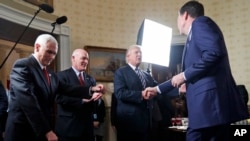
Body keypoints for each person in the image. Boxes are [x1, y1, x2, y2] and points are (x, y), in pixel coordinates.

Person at [146, 1, 249, 141]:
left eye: (177, 17)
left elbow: (213, 53)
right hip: (207, 111)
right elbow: (188, 75)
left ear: (185, 15)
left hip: (210, 108)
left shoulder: (200, 24)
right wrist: (157, 89)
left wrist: (185, 75)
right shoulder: (192, 36)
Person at [4, 34, 104, 141]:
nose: (52, 56)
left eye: (54, 53)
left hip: (39, 132)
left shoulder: (49, 73)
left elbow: (67, 88)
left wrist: (91, 89)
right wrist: (46, 131)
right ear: (37, 47)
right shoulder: (23, 65)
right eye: (49, 52)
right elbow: (28, 102)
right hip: (23, 130)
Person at [113, 45, 161, 141]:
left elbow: (158, 89)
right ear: (128, 56)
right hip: (129, 123)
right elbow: (120, 93)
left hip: (147, 122)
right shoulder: (121, 72)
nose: (139, 54)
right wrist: (141, 94)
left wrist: (176, 85)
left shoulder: (147, 75)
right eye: (136, 52)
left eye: (140, 53)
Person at [55, 48, 104, 141]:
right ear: (73, 58)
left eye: (87, 59)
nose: (86, 61)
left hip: (87, 128)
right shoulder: (61, 76)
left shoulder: (91, 79)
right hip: (69, 127)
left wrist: (98, 98)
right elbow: (59, 98)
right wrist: (81, 101)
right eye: (83, 58)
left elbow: (94, 105)